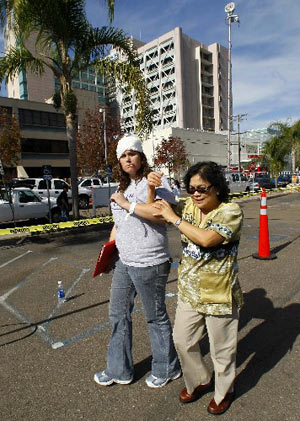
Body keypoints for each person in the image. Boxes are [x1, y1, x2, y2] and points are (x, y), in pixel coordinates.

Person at [152, 161, 243, 415]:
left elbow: (207, 239)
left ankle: (224, 391)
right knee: (182, 340)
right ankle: (201, 379)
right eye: (191, 189)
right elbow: (156, 209)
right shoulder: (189, 206)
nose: (196, 194)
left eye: (202, 188)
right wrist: (151, 187)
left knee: (222, 350)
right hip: (189, 291)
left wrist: (174, 219)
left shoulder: (230, 211)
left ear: (217, 187)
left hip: (220, 292)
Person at [93, 134, 180, 388]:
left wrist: (125, 203)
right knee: (118, 313)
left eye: (132, 153)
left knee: (155, 316)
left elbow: (158, 213)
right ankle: (119, 370)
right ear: (119, 161)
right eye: (123, 155)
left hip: (150, 261)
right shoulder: (123, 189)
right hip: (124, 261)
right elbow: (118, 225)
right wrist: (109, 252)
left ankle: (167, 368)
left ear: (141, 157)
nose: (128, 158)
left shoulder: (154, 181)